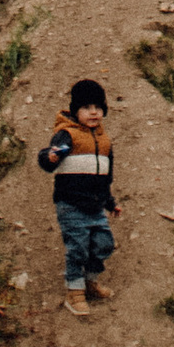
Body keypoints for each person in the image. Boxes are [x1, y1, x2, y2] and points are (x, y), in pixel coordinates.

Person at [37, 77, 120, 313]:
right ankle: (74, 291)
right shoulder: (66, 135)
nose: (93, 113)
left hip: (96, 205)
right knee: (78, 248)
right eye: (86, 108)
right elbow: (47, 158)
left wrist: (110, 202)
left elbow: (106, 175)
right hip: (71, 204)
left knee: (104, 244)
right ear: (76, 111)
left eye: (98, 108)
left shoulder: (104, 141)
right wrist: (49, 157)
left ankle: (90, 281)